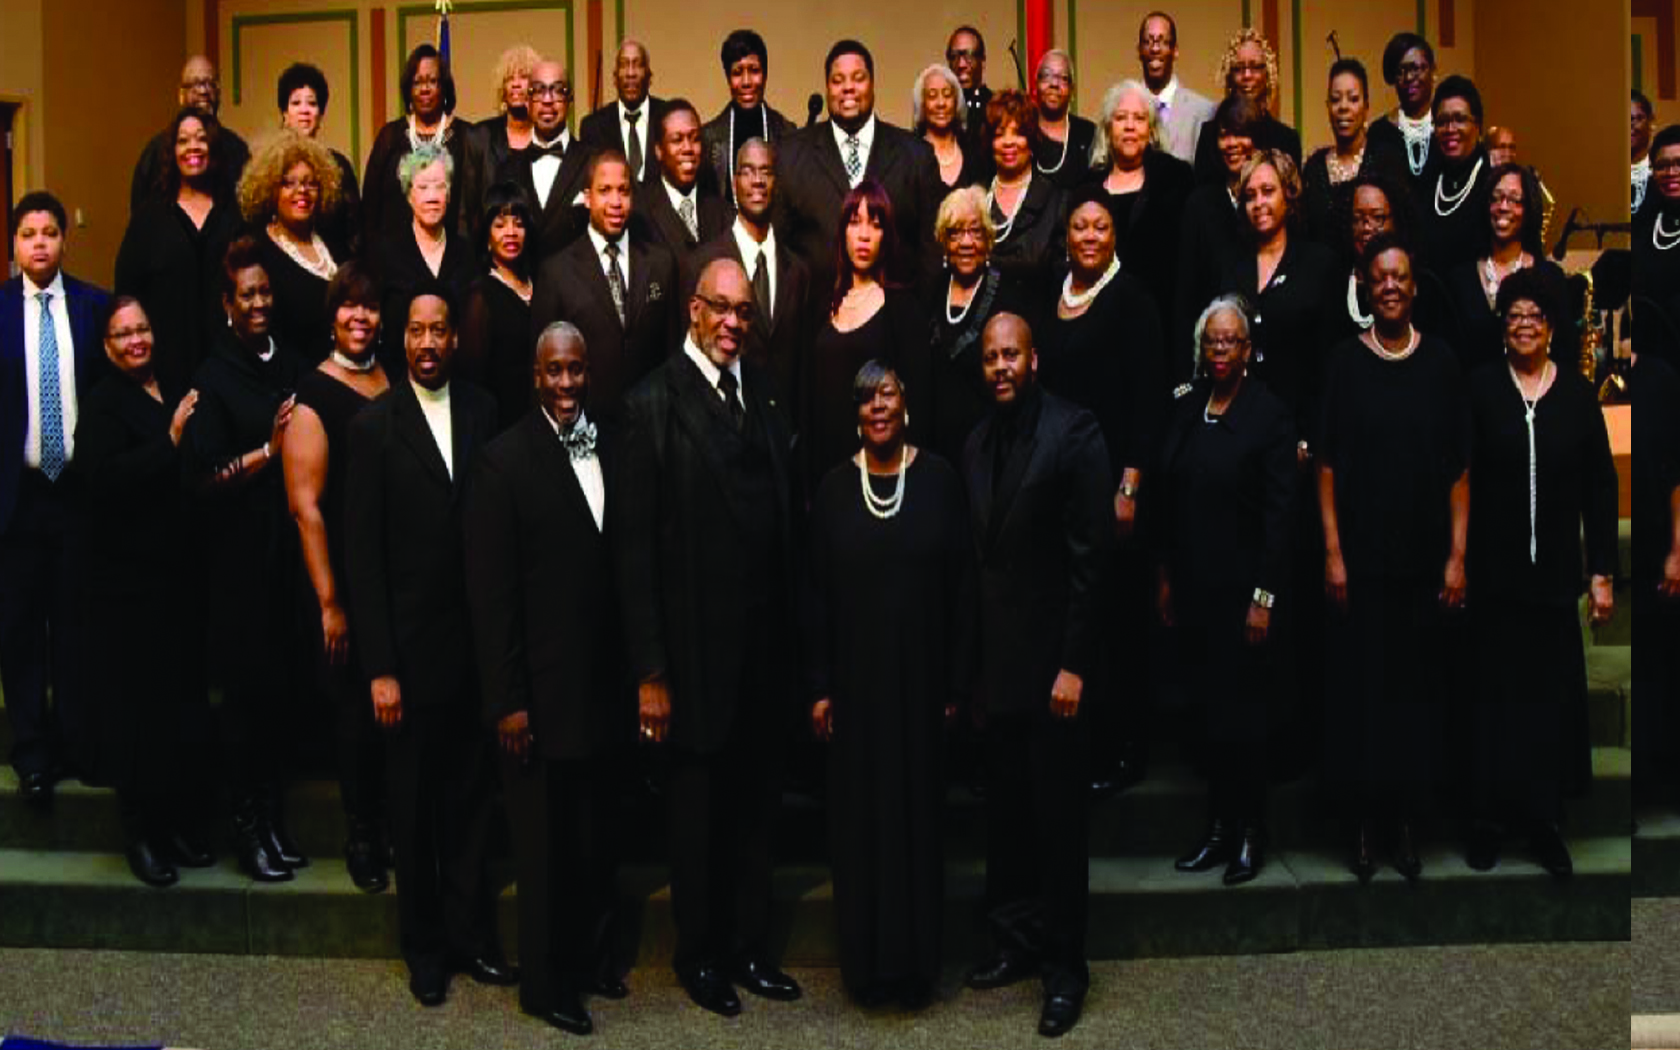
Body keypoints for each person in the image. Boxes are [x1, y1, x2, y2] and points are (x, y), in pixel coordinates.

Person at [618, 258, 803, 1017]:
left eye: (743, 312)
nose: (732, 323)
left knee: (756, 809)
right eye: (720, 309)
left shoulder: (763, 392)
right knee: (698, 820)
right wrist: (650, 672)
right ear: (694, 310)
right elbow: (633, 555)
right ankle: (700, 957)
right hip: (691, 658)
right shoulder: (650, 403)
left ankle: (749, 948)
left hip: (762, 651)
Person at [344, 282, 514, 1007]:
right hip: (408, 662)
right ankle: (424, 950)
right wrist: (380, 668)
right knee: (412, 811)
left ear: (454, 338)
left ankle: (471, 937)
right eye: (416, 331)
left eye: (438, 330)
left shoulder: (485, 411)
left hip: (475, 651)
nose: (427, 342)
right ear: (402, 338)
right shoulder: (373, 427)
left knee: (471, 806)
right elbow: (363, 558)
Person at [465, 322, 634, 1035]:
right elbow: (492, 598)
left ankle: (591, 962)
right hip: (535, 699)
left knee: (593, 839)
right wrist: (507, 702)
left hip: (599, 692)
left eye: (576, 370)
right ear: (536, 377)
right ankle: (545, 985)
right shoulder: (502, 462)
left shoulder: (612, 446)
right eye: (554, 372)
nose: (566, 383)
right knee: (543, 853)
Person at [961, 312, 1110, 1039]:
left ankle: (1065, 972)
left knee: (1058, 828)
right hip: (999, 675)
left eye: (1010, 355)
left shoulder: (1075, 432)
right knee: (1010, 824)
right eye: (990, 357)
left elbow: (1092, 561)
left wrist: (1074, 665)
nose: (1000, 367)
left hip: (1057, 676)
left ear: (1034, 359)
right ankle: (1014, 944)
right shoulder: (974, 442)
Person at [806, 359, 973, 1007]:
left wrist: (956, 684)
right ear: (855, 415)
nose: (877, 406)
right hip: (855, 695)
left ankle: (915, 970)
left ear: (905, 405)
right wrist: (820, 687)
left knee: (917, 826)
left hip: (922, 690)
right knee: (862, 829)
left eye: (887, 394)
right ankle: (868, 971)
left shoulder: (940, 481)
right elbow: (815, 598)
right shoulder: (832, 490)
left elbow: (961, 590)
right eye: (865, 398)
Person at [1319, 234, 1470, 882]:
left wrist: (1457, 556)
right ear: (1365, 284)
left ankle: (1405, 824)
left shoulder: (1440, 363)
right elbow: (1327, 464)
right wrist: (1332, 551)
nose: (1389, 286)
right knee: (1362, 698)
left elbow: (1459, 469)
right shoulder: (1343, 363)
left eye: (1399, 277)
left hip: (1422, 563)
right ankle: (1361, 825)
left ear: (1414, 287)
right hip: (1360, 564)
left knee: (1413, 698)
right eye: (1378, 277)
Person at [1465, 268, 1617, 878]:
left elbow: (1601, 489)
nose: (1524, 325)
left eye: (1534, 316)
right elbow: (1459, 478)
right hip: (1492, 577)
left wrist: (1601, 571)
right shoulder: (1480, 389)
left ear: (1551, 326)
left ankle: (1543, 822)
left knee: (1546, 703)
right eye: (1514, 316)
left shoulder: (1577, 396)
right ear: (1502, 326)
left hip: (1552, 580)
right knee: (1492, 700)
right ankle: (1487, 821)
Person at [1156, 296, 1295, 886]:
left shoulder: (1268, 414)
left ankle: (1249, 833)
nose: (1219, 350)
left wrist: (1264, 598)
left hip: (1245, 597)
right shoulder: (1188, 406)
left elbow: (1280, 518)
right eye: (1211, 340)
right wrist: (1166, 578)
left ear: (1247, 349)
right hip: (1195, 592)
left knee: (1246, 721)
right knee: (1209, 717)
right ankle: (1217, 830)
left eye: (1230, 341)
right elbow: (1171, 497)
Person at [179, 237, 304, 883]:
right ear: (227, 304)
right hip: (235, 564)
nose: (258, 303)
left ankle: (275, 825)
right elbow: (201, 478)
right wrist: (267, 452)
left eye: (264, 291)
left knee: (279, 699)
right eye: (246, 294)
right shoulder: (213, 376)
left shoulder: (290, 362)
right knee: (243, 703)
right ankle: (248, 832)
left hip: (285, 556)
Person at [74, 297, 210, 886]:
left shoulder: (173, 386)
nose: (136, 341)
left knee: (177, 709)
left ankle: (174, 826)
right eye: (123, 334)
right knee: (137, 714)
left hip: (177, 579)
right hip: (127, 589)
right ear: (107, 346)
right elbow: (101, 482)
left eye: (143, 329)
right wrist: (169, 441)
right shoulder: (104, 402)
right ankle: (141, 835)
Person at [1038, 187, 1165, 795]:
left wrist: (1131, 485)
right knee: (1074, 616)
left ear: (1115, 237)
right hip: (1062, 484)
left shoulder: (1133, 299)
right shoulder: (1053, 295)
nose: (1089, 236)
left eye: (1101, 228)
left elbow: (1148, 399)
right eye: (1080, 227)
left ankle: (1125, 750)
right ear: (1066, 236)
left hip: (1114, 484)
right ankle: (1081, 744)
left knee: (1119, 621)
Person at [280, 263, 391, 894]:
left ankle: (394, 826)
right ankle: (362, 836)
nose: (360, 317)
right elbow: (306, 508)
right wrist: (330, 602)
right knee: (356, 716)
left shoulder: (390, 375)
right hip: (343, 578)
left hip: (393, 571)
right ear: (332, 318)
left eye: (369, 307)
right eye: (349, 307)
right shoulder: (312, 395)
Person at [2, 191, 110, 805]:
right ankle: (32, 754)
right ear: (15, 245)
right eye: (28, 234)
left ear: (65, 240)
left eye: (49, 232)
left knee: (75, 624)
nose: (39, 243)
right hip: (17, 496)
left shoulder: (95, 307)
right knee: (19, 628)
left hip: (75, 490)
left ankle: (76, 742)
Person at [775, 40, 943, 293]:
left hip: (896, 312)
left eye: (858, 78)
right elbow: (779, 252)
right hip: (815, 313)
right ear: (827, 88)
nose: (848, 87)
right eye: (838, 80)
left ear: (872, 85)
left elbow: (931, 254)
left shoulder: (916, 157)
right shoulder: (791, 155)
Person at [531, 150, 680, 423]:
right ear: (587, 198)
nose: (615, 202)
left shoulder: (661, 264)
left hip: (652, 424)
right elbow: (544, 371)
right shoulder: (556, 273)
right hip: (585, 426)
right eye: (605, 190)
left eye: (623, 191)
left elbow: (672, 356)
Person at [802, 179, 926, 491]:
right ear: (842, 232)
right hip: (823, 473)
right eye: (855, 222)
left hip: (882, 473)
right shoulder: (821, 306)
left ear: (887, 237)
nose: (864, 235)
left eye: (875, 224)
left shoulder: (903, 309)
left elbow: (919, 408)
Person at [116, 107, 243, 392]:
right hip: (165, 370)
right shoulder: (149, 218)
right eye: (183, 140)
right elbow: (127, 293)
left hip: (229, 367)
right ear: (172, 151)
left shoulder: (234, 215)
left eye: (201, 138)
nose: (192, 147)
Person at [1217, 150, 1339, 445]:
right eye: (1250, 196)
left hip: (1298, 432)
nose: (1259, 203)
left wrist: (1311, 439)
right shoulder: (1231, 266)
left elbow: (1329, 360)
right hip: (1238, 431)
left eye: (1268, 191)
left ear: (1288, 194)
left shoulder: (1318, 263)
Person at [690, 138, 812, 407]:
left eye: (766, 172)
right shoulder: (702, 264)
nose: (757, 180)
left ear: (776, 184)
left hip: (784, 424)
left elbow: (804, 370)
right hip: (723, 420)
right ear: (734, 183)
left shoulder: (798, 271)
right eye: (747, 171)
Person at [923, 186, 1029, 465]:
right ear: (944, 241)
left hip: (992, 451)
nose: (966, 242)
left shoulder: (1008, 296)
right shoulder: (932, 291)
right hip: (937, 452)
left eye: (975, 231)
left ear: (989, 239)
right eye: (955, 233)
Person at [1089, 78, 1195, 337]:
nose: (1129, 126)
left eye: (1139, 118)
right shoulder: (1089, 186)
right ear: (1107, 128)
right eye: (1120, 118)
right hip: (1100, 321)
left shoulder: (1177, 179)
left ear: (1151, 129)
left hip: (1161, 321)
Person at [1444, 163, 1572, 375]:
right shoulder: (1459, 280)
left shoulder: (1551, 278)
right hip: (1472, 393)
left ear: (1528, 209)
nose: (1503, 207)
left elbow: (1565, 354)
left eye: (1514, 200)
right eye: (1495, 198)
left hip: (1535, 393)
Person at [1174, 94, 1262, 373]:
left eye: (1241, 134)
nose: (1232, 144)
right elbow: (1185, 293)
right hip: (1212, 352)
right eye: (1224, 135)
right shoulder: (1200, 203)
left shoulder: (1267, 204)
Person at [238, 132, 344, 363]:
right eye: (288, 183)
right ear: (270, 190)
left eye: (310, 183)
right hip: (288, 378)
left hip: (341, 373)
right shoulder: (256, 250)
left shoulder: (335, 245)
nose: (302, 191)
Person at [362, 44, 480, 246]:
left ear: (444, 87)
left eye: (432, 81)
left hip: (454, 257)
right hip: (393, 256)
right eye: (417, 82)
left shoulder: (467, 137)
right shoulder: (389, 137)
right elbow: (370, 208)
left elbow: (476, 209)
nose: (425, 89)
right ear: (408, 89)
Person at [370, 146, 475, 371]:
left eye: (440, 186)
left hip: (460, 378)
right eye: (423, 187)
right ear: (409, 196)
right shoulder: (385, 254)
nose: (432, 197)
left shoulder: (467, 254)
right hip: (399, 377)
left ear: (449, 195)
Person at [1632, 330, 1680, 807]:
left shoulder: (1662, 379)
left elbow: (1675, 471)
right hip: (1641, 543)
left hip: (1660, 544)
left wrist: (1677, 549)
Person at [492, 59, 591, 265]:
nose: (547, 100)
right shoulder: (507, 170)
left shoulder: (593, 162)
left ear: (570, 100)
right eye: (538, 90)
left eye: (558, 90)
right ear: (528, 102)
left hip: (578, 283)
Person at [1302, 58, 1404, 247]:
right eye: (1335, 99)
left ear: (1366, 106)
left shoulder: (1387, 161)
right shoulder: (1313, 168)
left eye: (1353, 99)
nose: (1343, 107)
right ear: (1327, 106)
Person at [459, 183, 538, 430]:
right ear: (487, 236)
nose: (511, 233)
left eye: (518, 224)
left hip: (542, 420)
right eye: (500, 225)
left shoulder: (541, 284)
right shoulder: (480, 297)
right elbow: (472, 383)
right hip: (501, 428)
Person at [130, 56, 250, 214]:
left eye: (210, 84)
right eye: (194, 84)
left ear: (219, 92)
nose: (203, 91)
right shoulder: (157, 150)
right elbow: (141, 213)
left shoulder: (236, 149)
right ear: (181, 95)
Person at [1191, 29, 1301, 186]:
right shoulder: (1210, 135)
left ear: (1268, 74)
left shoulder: (1287, 139)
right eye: (1238, 68)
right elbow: (1202, 194)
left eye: (1255, 67)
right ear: (1229, 77)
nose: (1247, 75)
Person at [982, 89, 1065, 290]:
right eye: (999, 134)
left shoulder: (1056, 201)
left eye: (1018, 133)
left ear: (1031, 139)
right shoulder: (976, 199)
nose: (1008, 142)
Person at [276, 62, 362, 258]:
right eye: (296, 103)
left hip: (334, 266)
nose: (304, 110)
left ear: (321, 114)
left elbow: (355, 232)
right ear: (284, 113)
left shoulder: (339, 165)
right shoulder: (270, 166)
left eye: (312, 103)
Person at [701, 30, 795, 207]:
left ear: (765, 74)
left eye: (754, 71)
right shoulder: (708, 137)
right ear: (728, 78)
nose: (746, 82)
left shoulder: (787, 132)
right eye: (737, 72)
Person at [635, 99, 731, 268]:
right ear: (659, 150)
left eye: (695, 139)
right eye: (677, 140)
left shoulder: (724, 213)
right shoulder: (640, 213)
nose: (688, 148)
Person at [1417, 75, 1492, 272]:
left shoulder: (1492, 185)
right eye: (1442, 121)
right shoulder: (1426, 182)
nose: (1450, 129)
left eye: (1460, 119)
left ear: (1477, 125)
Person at [467, 45, 541, 215]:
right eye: (509, 78)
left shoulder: (548, 139)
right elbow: (468, 208)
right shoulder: (480, 137)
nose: (515, 84)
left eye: (524, 77)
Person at [579, 40, 665, 184]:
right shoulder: (593, 127)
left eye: (637, 64)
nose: (630, 73)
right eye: (624, 65)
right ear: (615, 78)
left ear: (649, 76)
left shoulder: (668, 117)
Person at [1137, 11, 1214, 164]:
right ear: (1139, 50)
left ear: (1175, 50)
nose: (1155, 49)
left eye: (1163, 42)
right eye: (1148, 42)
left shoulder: (1204, 112)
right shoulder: (1121, 111)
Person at [1366, 32, 1437, 195]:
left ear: (1433, 70)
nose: (1409, 77)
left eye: (1416, 68)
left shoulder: (1447, 128)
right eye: (1400, 71)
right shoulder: (1379, 133)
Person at [1632, 124, 1680, 348]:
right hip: (1646, 351)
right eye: (1662, 166)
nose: (1671, 173)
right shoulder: (1645, 223)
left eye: (1679, 163)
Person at [1031, 49, 1097, 191]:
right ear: (1035, 85)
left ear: (1072, 91)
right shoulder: (1022, 130)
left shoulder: (1089, 134)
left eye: (1063, 78)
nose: (1054, 83)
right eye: (1047, 75)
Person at [914, 63, 980, 191]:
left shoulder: (973, 150)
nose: (941, 103)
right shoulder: (910, 154)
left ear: (956, 101)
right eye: (932, 96)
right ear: (922, 104)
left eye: (947, 94)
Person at [947, 25, 992, 152]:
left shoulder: (997, 109)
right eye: (954, 56)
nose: (961, 64)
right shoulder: (941, 111)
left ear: (982, 61)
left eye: (969, 55)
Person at [1635, 90, 1656, 220]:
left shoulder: (1662, 171)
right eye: (1628, 119)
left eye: (1638, 118)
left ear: (1650, 122)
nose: (1632, 125)